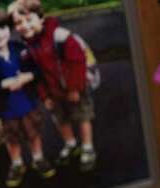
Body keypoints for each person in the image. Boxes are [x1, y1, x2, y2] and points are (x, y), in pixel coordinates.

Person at [8, 0, 97, 171]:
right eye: (18, 23)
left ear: (40, 18)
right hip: (52, 92)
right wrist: (44, 96)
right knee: (60, 119)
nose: (24, 26)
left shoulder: (60, 36)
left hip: (75, 88)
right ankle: (71, 144)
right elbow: (37, 75)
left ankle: (87, 147)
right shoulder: (27, 46)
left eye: (28, 19)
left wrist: (74, 88)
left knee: (82, 116)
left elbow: (78, 62)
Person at [0, 8, 54, 188]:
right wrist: (2, 85)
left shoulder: (20, 50)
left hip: (27, 104)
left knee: (33, 133)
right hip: (5, 110)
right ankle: (17, 164)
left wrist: (28, 77)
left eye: (3, 28)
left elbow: (37, 70)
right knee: (12, 138)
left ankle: (38, 158)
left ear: (10, 30)